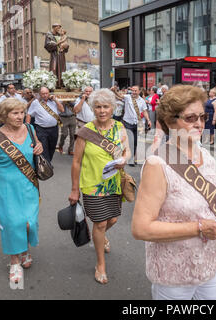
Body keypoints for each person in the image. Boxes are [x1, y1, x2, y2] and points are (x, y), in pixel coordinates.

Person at [131, 84, 216, 300]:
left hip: (210, 262)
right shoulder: (157, 164)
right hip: (173, 272)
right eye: (190, 118)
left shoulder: (207, 157)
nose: (199, 124)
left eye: (202, 117)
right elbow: (141, 229)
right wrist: (199, 227)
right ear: (170, 121)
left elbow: (208, 197)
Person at [69, 88, 131, 284]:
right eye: (98, 107)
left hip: (113, 183)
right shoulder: (85, 131)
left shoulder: (119, 127)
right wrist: (74, 189)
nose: (102, 110)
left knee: (112, 219)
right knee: (100, 223)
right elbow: (76, 162)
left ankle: (101, 236)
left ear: (112, 108)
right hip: (92, 185)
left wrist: (124, 159)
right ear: (92, 108)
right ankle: (100, 264)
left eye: (105, 106)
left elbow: (127, 150)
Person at [0, 98, 43, 284]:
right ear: (4, 115)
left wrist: (39, 148)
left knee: (29, 223)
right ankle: (15, 261)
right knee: (13, 224)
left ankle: (24, 249)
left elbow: (37, 148)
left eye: (22, 112)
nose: (20, 116)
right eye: (15, 113)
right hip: (7, 188)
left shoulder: (30, 129)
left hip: (29, 184)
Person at [27, 87, 64, 162]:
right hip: (41, 129)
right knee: (44, 148)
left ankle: (48, 163)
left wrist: (55, 100)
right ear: (40, 94)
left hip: (54, 129)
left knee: (52, 147)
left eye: (46, 93)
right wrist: (27, 126)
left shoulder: (54, 101)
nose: (45, 95)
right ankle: (46, 165)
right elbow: (29, 114)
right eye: (43, 94)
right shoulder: (36, 103)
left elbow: (62, 110)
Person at [122, 85, 151, 166]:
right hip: (128, 123)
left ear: (139, 91)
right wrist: (114, 91)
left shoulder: (142, 101)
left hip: (137, 124)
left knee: (135, 142)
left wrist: (148, 120)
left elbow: (144, 111)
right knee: (129, 141)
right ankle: (129, 159)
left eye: (135, 91)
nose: (134, 92)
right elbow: (119, 96)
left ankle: (132, 158)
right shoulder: (127, 97)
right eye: (133, 90)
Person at [44, 23, 69, 88]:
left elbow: (66, 44)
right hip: (54, 54)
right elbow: (47, 45)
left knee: (62, 69)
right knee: (54, 68)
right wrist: (56, 44)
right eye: (58, 28)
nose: (59, 29)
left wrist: (66, 46)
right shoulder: (49, 35)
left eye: (60, 28)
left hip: (61, 55)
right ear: (54, 28)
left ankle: (62, 84)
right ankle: (53, 84)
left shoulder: (61, 35)